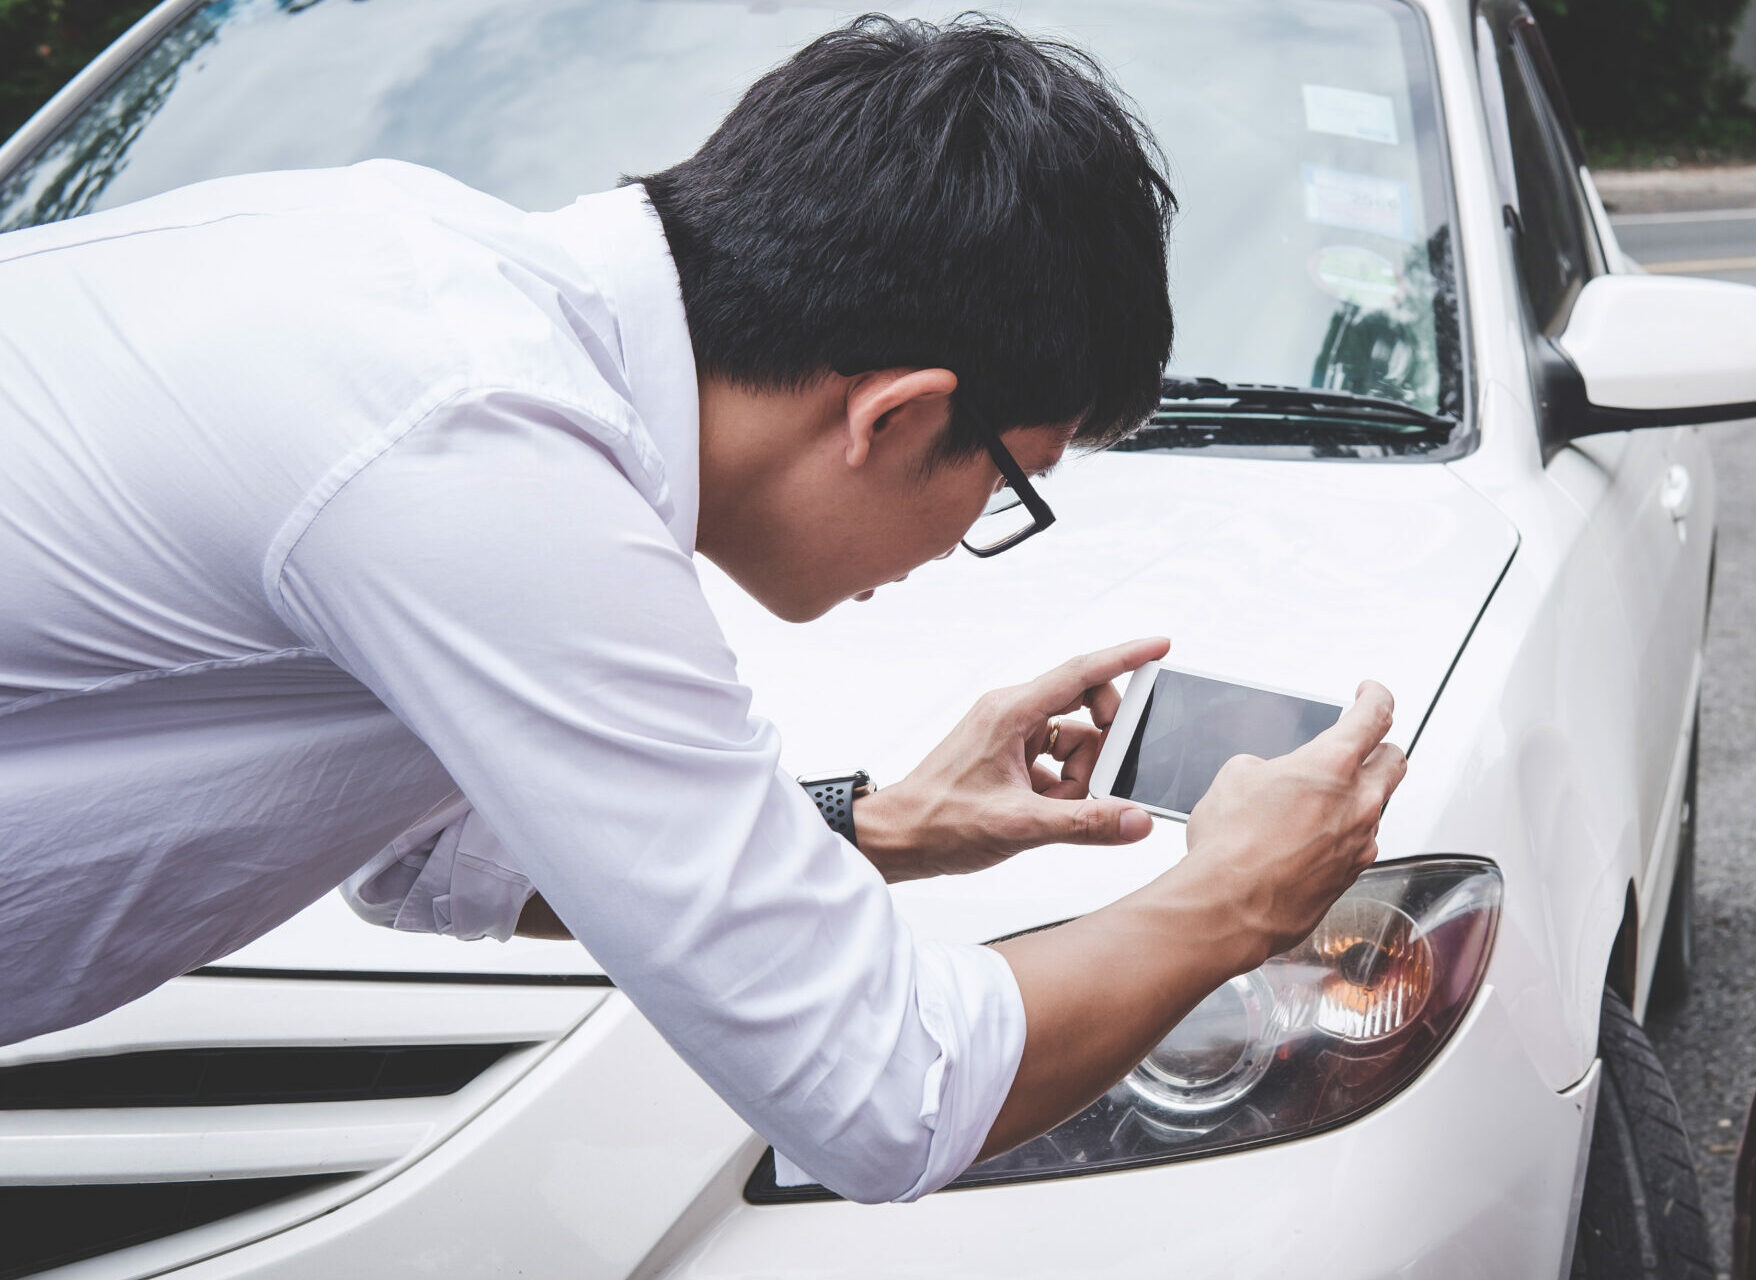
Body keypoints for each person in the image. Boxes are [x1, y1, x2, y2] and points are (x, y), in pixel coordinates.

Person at [0, 16, 1403, 1204]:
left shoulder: (420, 284)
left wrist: (886, 822)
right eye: (1007, 486)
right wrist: (1236, 900)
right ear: (900, 413)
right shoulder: (485, 453)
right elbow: (888, 1091)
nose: (982, 539)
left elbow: (436, 856)